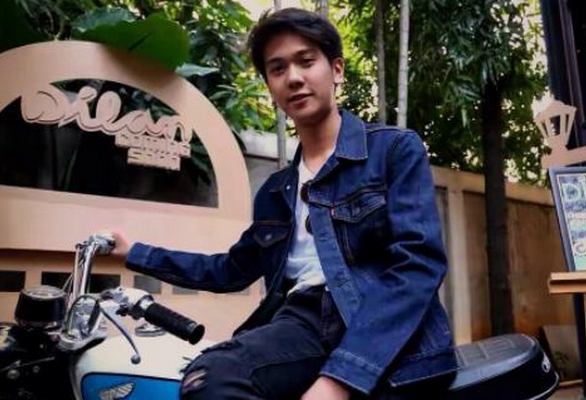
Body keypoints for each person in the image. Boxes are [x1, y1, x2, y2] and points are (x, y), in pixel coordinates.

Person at [114, 7, 456, 400]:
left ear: (337, 70)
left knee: (213, 379)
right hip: (302, 323)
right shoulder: (276, 192)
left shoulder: (393, 150)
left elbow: (417, 265)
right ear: (270, 87)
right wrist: (135, 253)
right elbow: (229, 269)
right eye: (277, 69)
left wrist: (341, 378)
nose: (293, 77)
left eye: (306, 61)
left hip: (373, 319)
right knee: (205, 379)